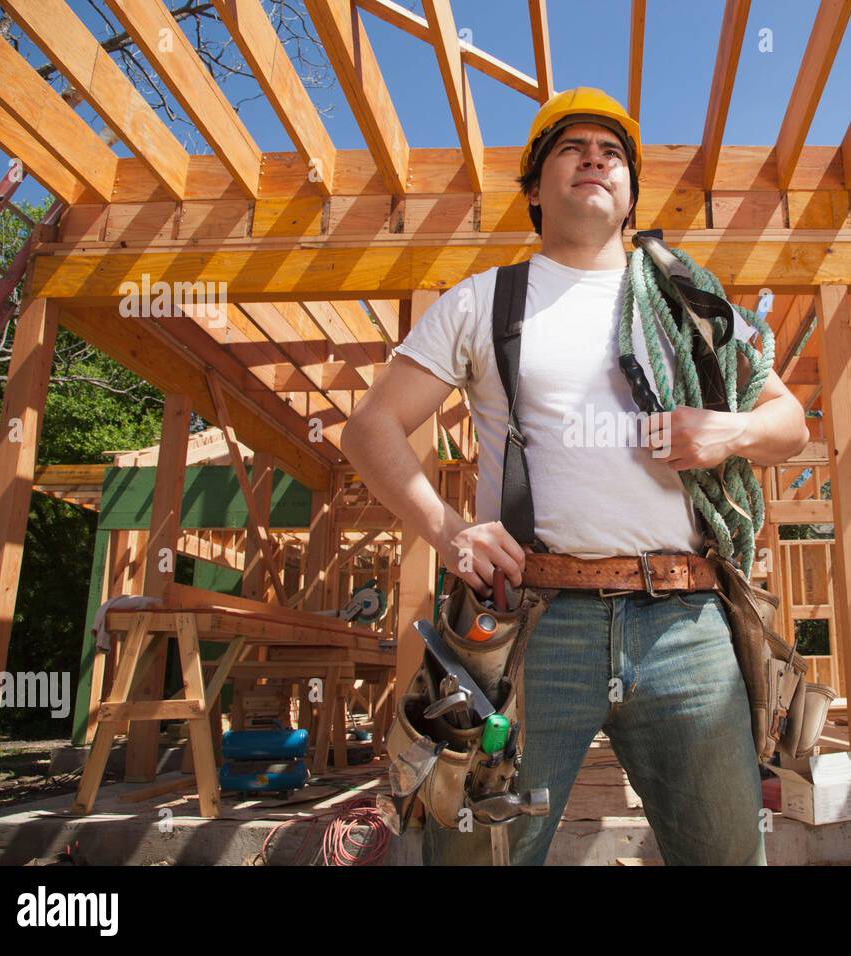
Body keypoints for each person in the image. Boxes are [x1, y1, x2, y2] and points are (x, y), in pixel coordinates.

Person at [341, 87, 809, 865]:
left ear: (629, 195)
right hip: (532, 628)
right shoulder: (484, 303)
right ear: (534, 189)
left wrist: (730, 430)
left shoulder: (687, 301)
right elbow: (370, 428)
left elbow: (789, 423)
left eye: (613, 153)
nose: (596, 159)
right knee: (474, 854)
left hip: (685, 627)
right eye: (572, 149)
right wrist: (449, 533)